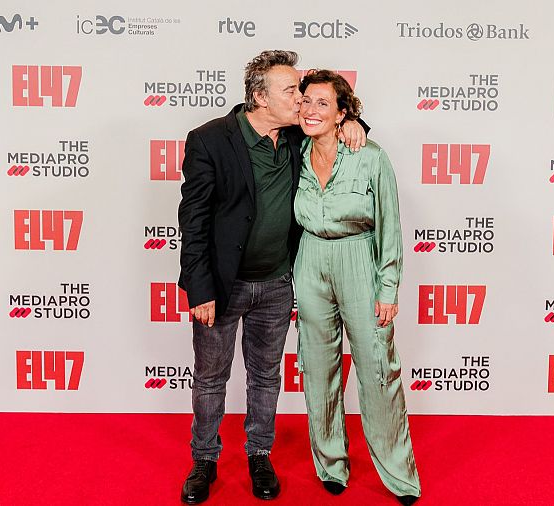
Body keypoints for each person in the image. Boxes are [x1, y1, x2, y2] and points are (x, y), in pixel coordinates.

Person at [177, 51, 366, 504]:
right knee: (210, 377)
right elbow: (194, 219)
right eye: (291, 92)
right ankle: (204, 460)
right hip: (224, 286)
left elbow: (333, 114)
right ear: (260, 97)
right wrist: (200, 287)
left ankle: (259, 454)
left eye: (302, 92)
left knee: (265, 376)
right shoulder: (210, 140)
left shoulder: (299, 136)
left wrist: (358, 123)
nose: (302, 101)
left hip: (278, 282)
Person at [292, 70, 421, 505]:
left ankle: (399, 474)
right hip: (310, 259)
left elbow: (390, 227)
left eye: (323, 103)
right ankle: (331, 463)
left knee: (377, 368)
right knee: (317, 366)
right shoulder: (293, 150)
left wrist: (389, 287)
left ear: (343, 112)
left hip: (358, 258)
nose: (310, 109)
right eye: (305, 100)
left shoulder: (370, 156)